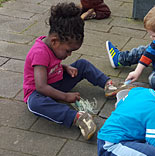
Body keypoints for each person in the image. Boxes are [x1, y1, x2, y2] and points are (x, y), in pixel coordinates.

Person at [23, 2, 124, 140]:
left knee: (81, 64)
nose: (69, 55)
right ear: (54, 41)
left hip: (56, 80)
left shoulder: (54, 46)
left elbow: (50, 65)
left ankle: (108, 84)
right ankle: (77, 118)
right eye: (68, 51)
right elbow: (41, 86)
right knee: (34, 104)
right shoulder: (39, 52)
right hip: (38, 92)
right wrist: (65, 97)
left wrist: (64, 67)